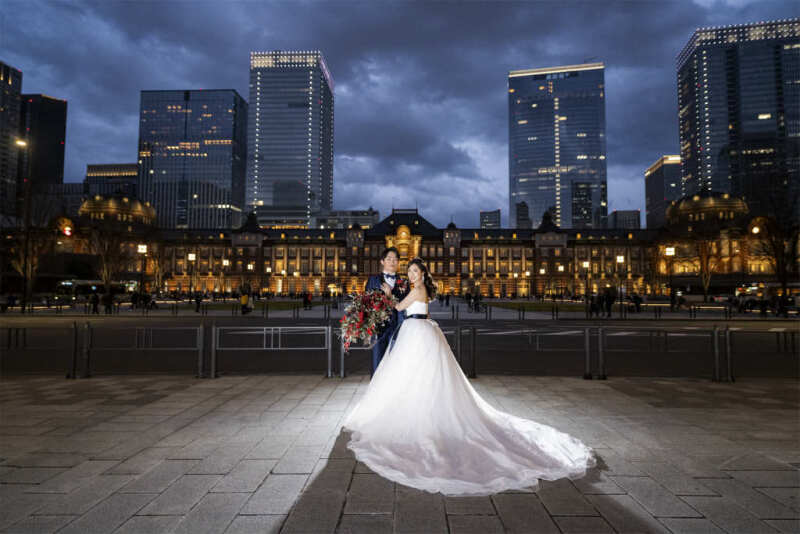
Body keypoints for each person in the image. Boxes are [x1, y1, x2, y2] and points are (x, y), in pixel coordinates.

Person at [344, 257, 594, 496]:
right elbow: (426, 315)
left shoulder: (416, 290)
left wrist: (386, 295)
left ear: (422, 275)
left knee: (413, 374)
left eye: (414, 272)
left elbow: (399, 307)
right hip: (422, 330)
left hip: (415, 333)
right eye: (409, 272)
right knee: (427, 376)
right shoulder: (422, 290)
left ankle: (417, 414)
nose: (411, 275)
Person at [364, 247, 409, 376]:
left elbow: (406, 305)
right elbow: (366, 303)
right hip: (378, 327)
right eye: (389, 259)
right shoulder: (373, 280)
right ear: (382, 261)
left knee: (396, 361)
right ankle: (375, 392)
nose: (392, 262)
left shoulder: (404, 283)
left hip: (397, 327)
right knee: (377, 361)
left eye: (395, 259)